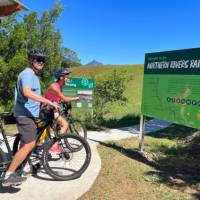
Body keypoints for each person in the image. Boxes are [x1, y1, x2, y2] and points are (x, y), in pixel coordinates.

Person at [2, 49, 60, 187]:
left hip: (29, 115)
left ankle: (22, 167)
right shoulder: (27, 74)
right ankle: (8, 175)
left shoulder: (33, 76)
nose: (41, 62)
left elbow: (32, 97)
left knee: (26, 144)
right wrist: (47, 101)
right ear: (31, 60)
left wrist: (42, 105)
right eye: (38, 59)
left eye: (43, 60)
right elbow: (27, 93)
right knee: (29, 144)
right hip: (24, 116)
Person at [44, 69, 79, 152]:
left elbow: (59, 99)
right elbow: (64, 98)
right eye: (67, 77)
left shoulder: (59, 87)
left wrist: (62, 102)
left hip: (52, 108)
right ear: (61, 77)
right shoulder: (54, 86)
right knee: (65, 125)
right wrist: (76, 98)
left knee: (54, 127)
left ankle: (49, 143)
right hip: (48, 109)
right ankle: (54, 146)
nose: (68, 79)